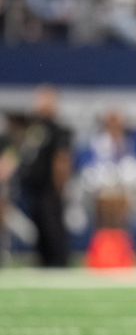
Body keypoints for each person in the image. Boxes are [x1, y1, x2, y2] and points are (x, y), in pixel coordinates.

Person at [17, 85, 73, 267]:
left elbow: (62, 159)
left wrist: (60, 188)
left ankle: (59, 263)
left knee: (53, 231)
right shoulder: (34, 129)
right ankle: (44, 262)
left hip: (50, 190)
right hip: (34, 189)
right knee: (40, 231)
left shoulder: (58, 130)